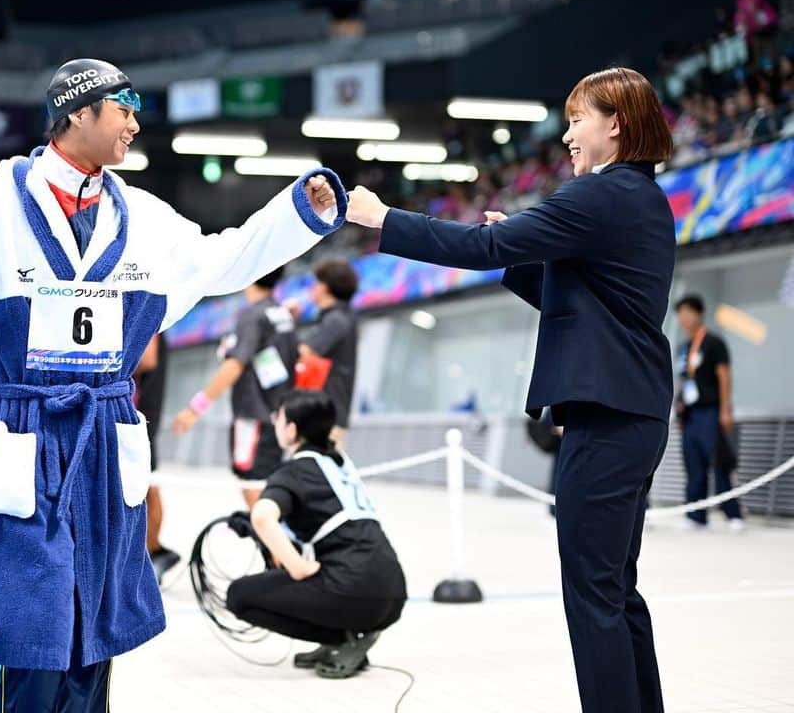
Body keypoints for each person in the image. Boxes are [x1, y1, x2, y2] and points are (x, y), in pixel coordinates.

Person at [0, 57, 345, 711]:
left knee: (93, 634)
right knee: (34, 634)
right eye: (122, 106)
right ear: (77, 112)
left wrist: (295, 214)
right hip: (26, 438)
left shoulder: (145, 218)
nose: (133, 122)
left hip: (104, 445)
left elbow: (222, 259)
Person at [346, 67, 675, 713]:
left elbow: (484, 241)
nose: (568, 134)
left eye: (580, 119)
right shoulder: (642, 198)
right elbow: (587, 300)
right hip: (634, 412)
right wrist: (518, 259)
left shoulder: (600, 196)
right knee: (616, 591)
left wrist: (385, 220)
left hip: (606, 419)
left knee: (593, 597)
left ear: (617, 124)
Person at [225, 390, 406, 679]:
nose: (275, 422)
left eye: (279, 418)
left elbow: (262, 516)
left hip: (353, 591)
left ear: (292, 429)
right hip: (394, 592)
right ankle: (341, 638)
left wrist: (298, 568)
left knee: (239, 596)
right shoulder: (338, 463)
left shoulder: (293, 471)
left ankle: (343, 640)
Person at [173, 267, 298, 510]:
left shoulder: (252, 316)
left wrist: (195, 408)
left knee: (253, 484)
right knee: (268, 482)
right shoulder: (281, 314)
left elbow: (235, 364)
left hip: (254, 414)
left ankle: (275, 547)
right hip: (278, 412)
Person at [674, 294, 744, 530]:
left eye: (688, 312)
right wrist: (680, 410)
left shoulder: (714, 343)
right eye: (681, 313)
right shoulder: (682, 349)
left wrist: (725, 409)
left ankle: (733, 514)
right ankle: (696, 516)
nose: (684, 318)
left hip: (710, 410)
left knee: (719, 461)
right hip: (691, 414)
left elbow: (724, 376)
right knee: (693, 463)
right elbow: (683, 382)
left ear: (699, 313)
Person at [293, 259, 360, 446]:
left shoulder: (335, 320)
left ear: (325, 287)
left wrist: (287, 325)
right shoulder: (341, 317)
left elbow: (304, 354)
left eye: (316, 283)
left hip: (325, 414)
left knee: (317, 468)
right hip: (327, 412)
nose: (313, 288)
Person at [133, 333, 180, 582]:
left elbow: (148, 359)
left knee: (147, 484)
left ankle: (155, 550)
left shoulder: (151, 318)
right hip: (142, 411)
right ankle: (153, 550)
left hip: (141, 412)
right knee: (146, 484)